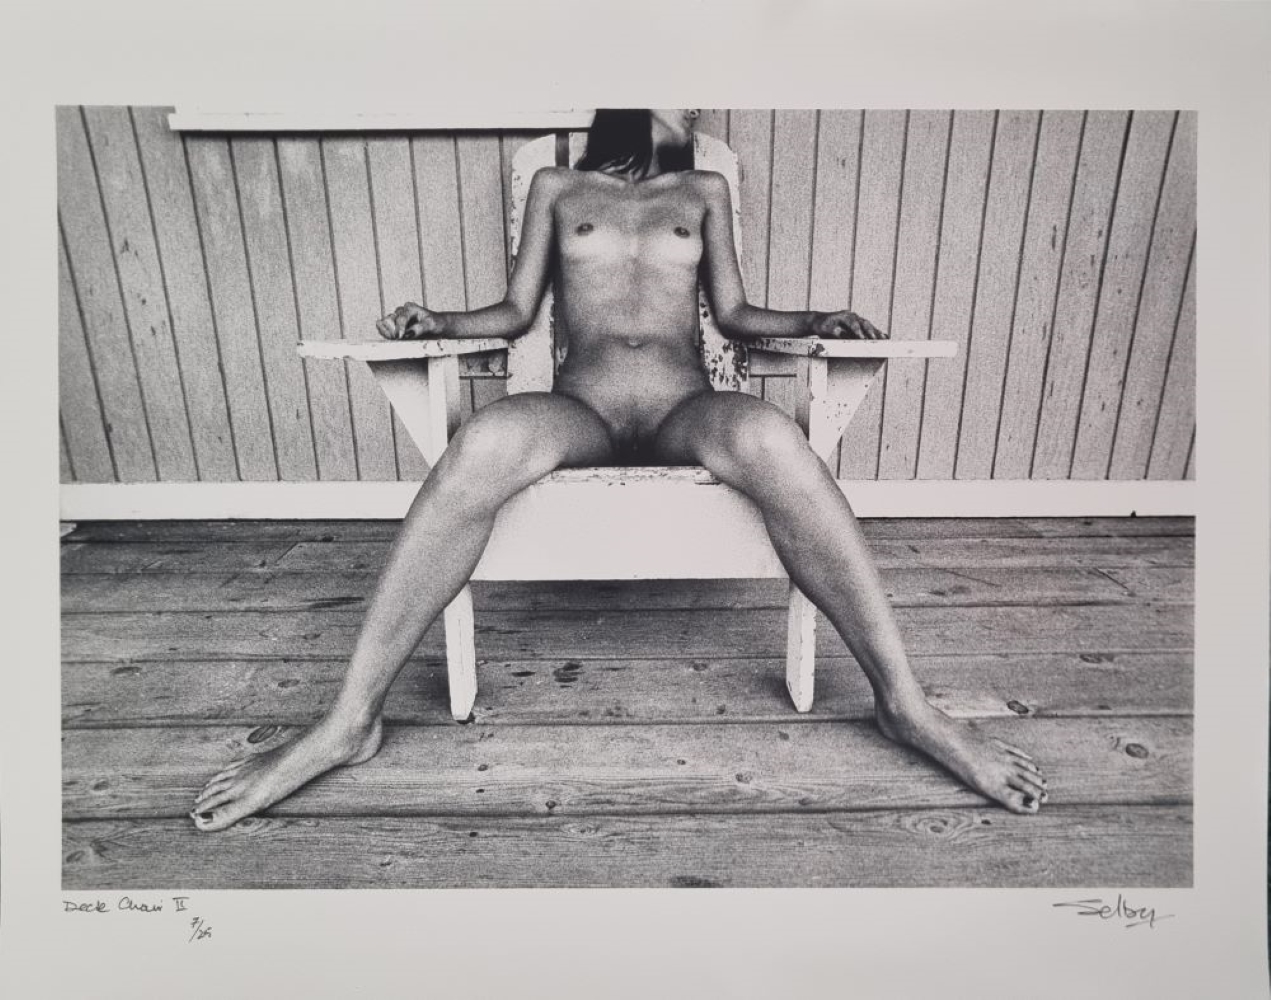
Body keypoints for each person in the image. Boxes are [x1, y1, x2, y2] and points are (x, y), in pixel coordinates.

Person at [192, 109, 1046, 831]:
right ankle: (348, 720)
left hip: (681, 407)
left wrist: (815, 317)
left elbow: (735, 313)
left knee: (775, 443)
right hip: (586, 410)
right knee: (480, 445)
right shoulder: (556, 187)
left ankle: (904, 704)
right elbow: (516, 311)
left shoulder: (702, 190)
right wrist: (437, 320)